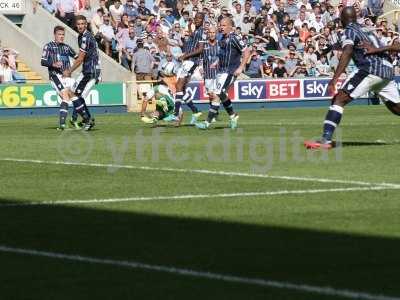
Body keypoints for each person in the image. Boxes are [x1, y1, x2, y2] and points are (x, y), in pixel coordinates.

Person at [304, 7, 400, 150]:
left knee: (339, 99)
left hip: (370, 69)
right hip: (387, 71)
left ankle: (326, 139)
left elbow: (348, 51)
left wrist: (335, 78)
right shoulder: (367, 29)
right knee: (397, 109)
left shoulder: (349, 31)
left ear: (343, 18)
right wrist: (329, 48)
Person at [195, 17, 250, 130]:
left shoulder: (235, 38)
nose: (221, 27)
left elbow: (247, 52)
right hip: (221, 71)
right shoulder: (220, 38)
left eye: (224, 25)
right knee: (221, 94)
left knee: (217, 93)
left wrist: (240, 67)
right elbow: (223, 54)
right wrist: (216, 62)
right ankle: (233, 116)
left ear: (230, 27)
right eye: (220, 25)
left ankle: (207, 123)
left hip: (230, 71)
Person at [63, 15, 99, 131]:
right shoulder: (82, 36)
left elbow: (80, 58)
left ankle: (87, 119)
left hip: (90, 71)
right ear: (76, 25)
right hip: (87, 70)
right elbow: (82, 56)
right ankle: (87, 119)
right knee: (73, 94)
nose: (80, 26)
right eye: (78, 24)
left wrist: (69, 71)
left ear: (86, 25)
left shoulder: (85, 38)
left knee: (74, 94)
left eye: (83, 24)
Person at [169, 12, 205, 125]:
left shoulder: (202, 31)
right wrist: (189, 26)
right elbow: (193, 37)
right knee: (181, 88)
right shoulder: (197, 31)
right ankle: (195, 111)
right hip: (187, 61)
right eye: (196, 18)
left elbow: (200, 49)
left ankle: (175, 114)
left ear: (203, 20)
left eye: (199, 18)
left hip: (191, 61)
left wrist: (185, 55)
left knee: (179, 85)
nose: (197, 20)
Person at [40, 25, 77, 130]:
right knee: (65, 96)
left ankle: (75, 121)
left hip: (67, 78)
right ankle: (62, 125)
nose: (61, 36)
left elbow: (78, 58)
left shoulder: (66, 47)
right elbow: (43, 61)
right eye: (59, 34)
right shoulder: (48, 46)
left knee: (75, 98)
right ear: (54, 35)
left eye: (63, 35)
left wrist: (70, 70)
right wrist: (53, 64)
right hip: (55, 76)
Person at [202, 26, 219, 122]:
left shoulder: (220, 44)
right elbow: (200, 57)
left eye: (213, 32)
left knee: (217, 94)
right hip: (208, 73)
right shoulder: (204, 45)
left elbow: (223, 56)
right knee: (210, 94)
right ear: (208, 34)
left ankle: (212, 115)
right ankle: (214, 112)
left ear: (216, 33)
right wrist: (200, 67)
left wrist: (216, 62)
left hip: (218, 74)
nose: (212, 34)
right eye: (210, 33)